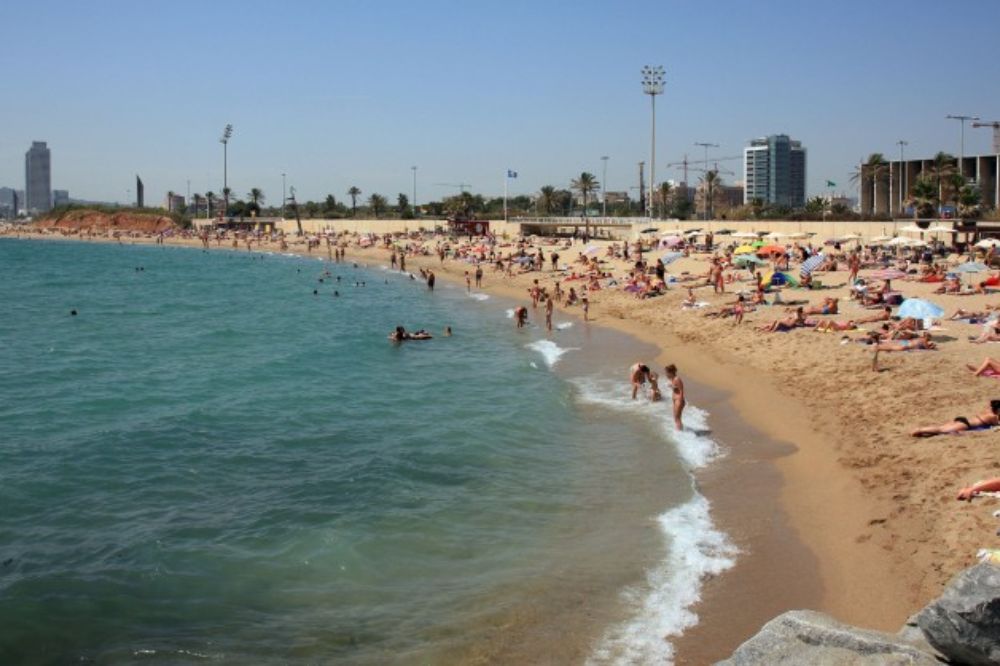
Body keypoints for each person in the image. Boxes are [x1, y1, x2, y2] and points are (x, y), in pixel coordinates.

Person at [911, 400, 1000, 437]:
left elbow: (990, 402)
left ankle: (923, 431)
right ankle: (919, 429)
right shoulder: (993, 417)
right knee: (941, 430)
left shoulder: (988, 411)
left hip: (962, 420)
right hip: (965, 425)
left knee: (941, 429)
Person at [665, 364, 685, 430]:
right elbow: (676, 388)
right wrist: (672, 386)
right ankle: (680, 430)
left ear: (671, 372)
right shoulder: (673, 379)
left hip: (678, 400)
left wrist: (680, 401)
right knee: (676, 418)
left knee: (677, 418)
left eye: (667, 372)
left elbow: (681, 390)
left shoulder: (677, 379)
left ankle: (680, 433)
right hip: (675, 400)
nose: (666, 374)